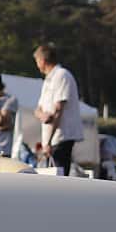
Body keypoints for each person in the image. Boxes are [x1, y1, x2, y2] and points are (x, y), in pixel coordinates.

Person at [32, 43, 84, 174]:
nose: (37, 65)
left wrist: (48, 142)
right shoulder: (48, 80)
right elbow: (38, 109)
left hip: (61, 137)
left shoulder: (62, 75)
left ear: (43, 60)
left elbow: (58, 110)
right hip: (51, 139)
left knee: (59, 175)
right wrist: (42, 115)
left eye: (37, 61)